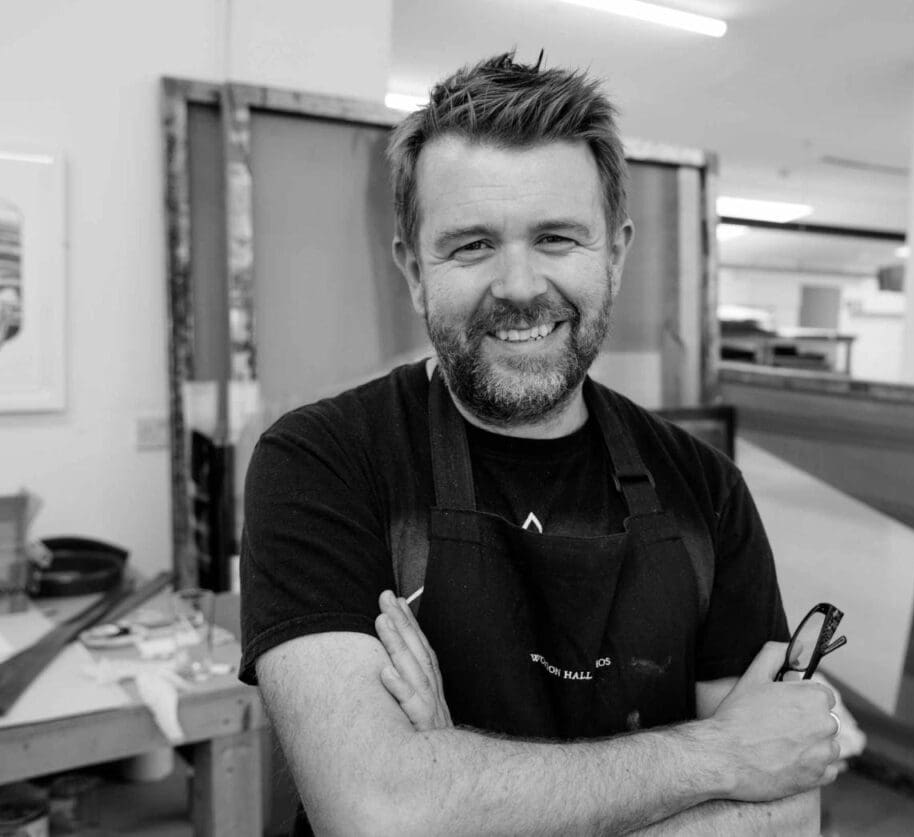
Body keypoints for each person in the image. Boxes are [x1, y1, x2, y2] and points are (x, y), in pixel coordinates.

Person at [240, 51, 842, 836]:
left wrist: (454, 783)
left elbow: (786, 809)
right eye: (471, 245)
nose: (520, 286)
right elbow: (378, 811)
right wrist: (718, 755)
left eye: (557, 238)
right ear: (414, 271)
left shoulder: (706, 488)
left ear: (616, 254)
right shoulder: (322, 462)